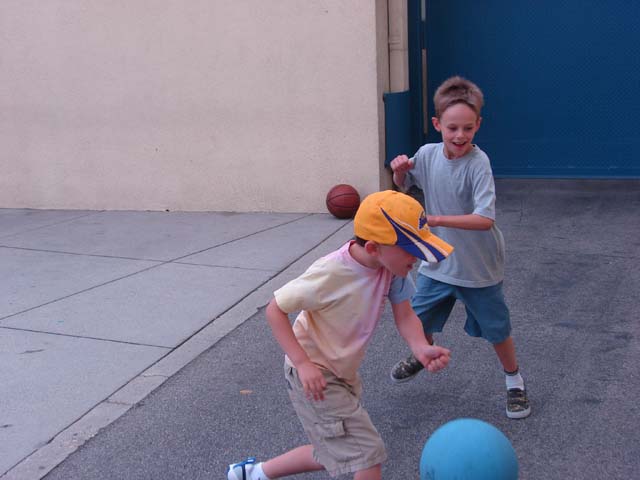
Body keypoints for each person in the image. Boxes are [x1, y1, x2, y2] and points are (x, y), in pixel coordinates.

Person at [227, 190, 453, 480]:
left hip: (342, 372)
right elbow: (275, 309)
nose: (418, 259)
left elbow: (406, 315)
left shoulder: (392, 269)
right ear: (373, 247)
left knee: (337, 451)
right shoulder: (330, 273)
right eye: (412, 250)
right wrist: (303, 363)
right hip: (315, 373)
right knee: (368, 455)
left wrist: (420, 347)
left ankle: (251, 474)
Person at [388, 76, 531, 420]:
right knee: (416, 319)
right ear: (437, 124)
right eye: (452, 128)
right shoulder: (427, 154)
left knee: (497, 330)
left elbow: (484, 218)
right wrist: (399, 171)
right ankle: (424, 351)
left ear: (478, 124)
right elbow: (403, 185)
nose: (460, 135)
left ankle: (514, 380)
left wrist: (436, 219)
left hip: (477, 267)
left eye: (468, 128)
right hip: (438, 262)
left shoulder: (478, 163)